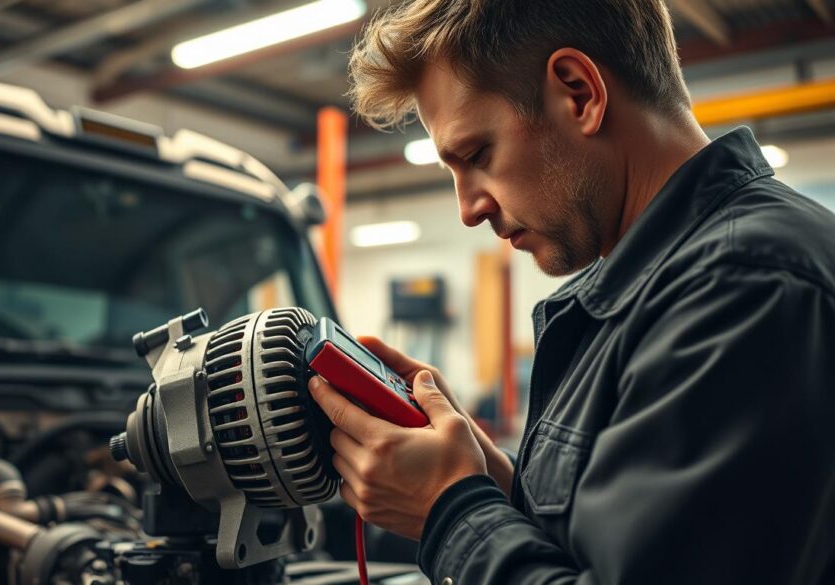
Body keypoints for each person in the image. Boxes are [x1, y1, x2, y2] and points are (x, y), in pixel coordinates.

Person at [307, 1, 835, 583]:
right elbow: (605, 546)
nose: (467, 209)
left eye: (478, 155)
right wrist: (488, 476)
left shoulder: (746, 285)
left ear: (579, 93)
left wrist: (449, 510)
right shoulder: (650, 290)